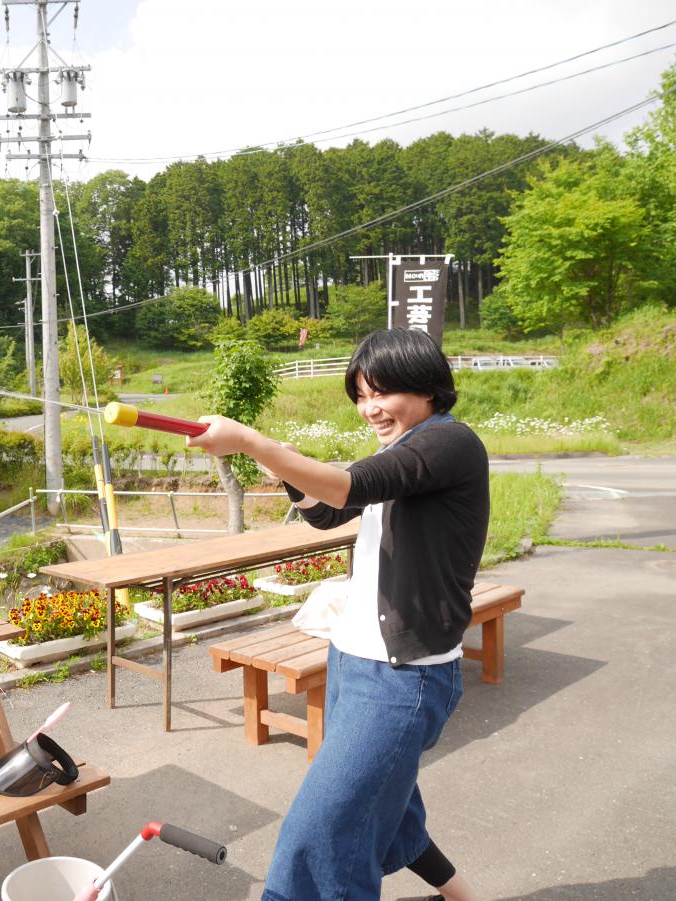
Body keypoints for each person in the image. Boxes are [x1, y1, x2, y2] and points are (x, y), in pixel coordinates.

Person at [186, 328, 488, 901]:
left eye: (383, 392)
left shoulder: (449, 444)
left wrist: (252, 443)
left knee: (319, 835)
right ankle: (463, 895)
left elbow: (349, 486)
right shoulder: (402, 447)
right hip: (354, 661)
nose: (369, 408)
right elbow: (328, 513)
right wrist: (283, 467)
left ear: (427, 388)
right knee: (382, 806)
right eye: (360, 395)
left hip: (405, 677)